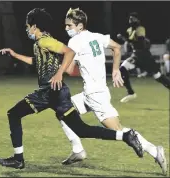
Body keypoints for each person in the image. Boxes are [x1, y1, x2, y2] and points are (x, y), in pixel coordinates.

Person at [0, 8, 143, 170]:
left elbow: (69, 52)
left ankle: (18, 159)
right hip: (56, 93)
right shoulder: (41, 43)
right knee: (81, 130)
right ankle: (126, 136)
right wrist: (14, 55)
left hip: (49, 92)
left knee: (13, 113)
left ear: (34, 26)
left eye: (27, 26)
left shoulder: (44, 41)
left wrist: (59, 73)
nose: (26, 29)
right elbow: (36, 62)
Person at [61, 8, 167, 176]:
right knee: (63, 110)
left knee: (119, 130)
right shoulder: (97, 36)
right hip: (95, 92)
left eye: (69, 25)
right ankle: (77, 150)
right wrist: (115, 70)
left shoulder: (75, 42)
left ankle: (155, 151)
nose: (66, 28)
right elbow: (117, 48)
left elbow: (69, 70)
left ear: (80, 26)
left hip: (95, 96)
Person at [117, 12, 170, 103]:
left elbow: (139, 41)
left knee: (158, 76)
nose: (131, 20)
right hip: (136, 55)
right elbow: (130, 43)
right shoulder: (129, 30)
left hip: (145, 56)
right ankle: (131, 93)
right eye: (130, 19)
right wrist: (127, 46)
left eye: (133, 18)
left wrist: (124, 39)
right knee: (122, 69)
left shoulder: (140, 29)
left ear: (138, 20)